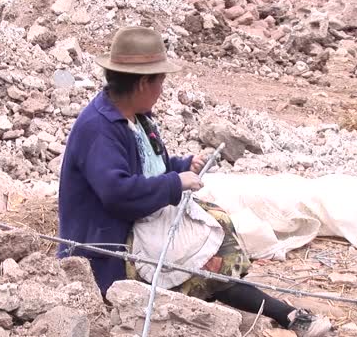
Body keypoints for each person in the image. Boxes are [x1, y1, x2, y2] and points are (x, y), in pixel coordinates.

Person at [57, 26, 332, 337]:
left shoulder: (136, 117)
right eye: (160, 81)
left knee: (215, 228)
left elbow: (148, 168)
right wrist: (175, 182)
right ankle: (287, 315)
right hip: (111, 252)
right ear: (144, 83)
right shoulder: (99, 128)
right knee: (205, 260)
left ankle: (282, 312)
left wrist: (182, 165)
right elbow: (117, 192)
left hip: (139, 226)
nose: (162, 89)